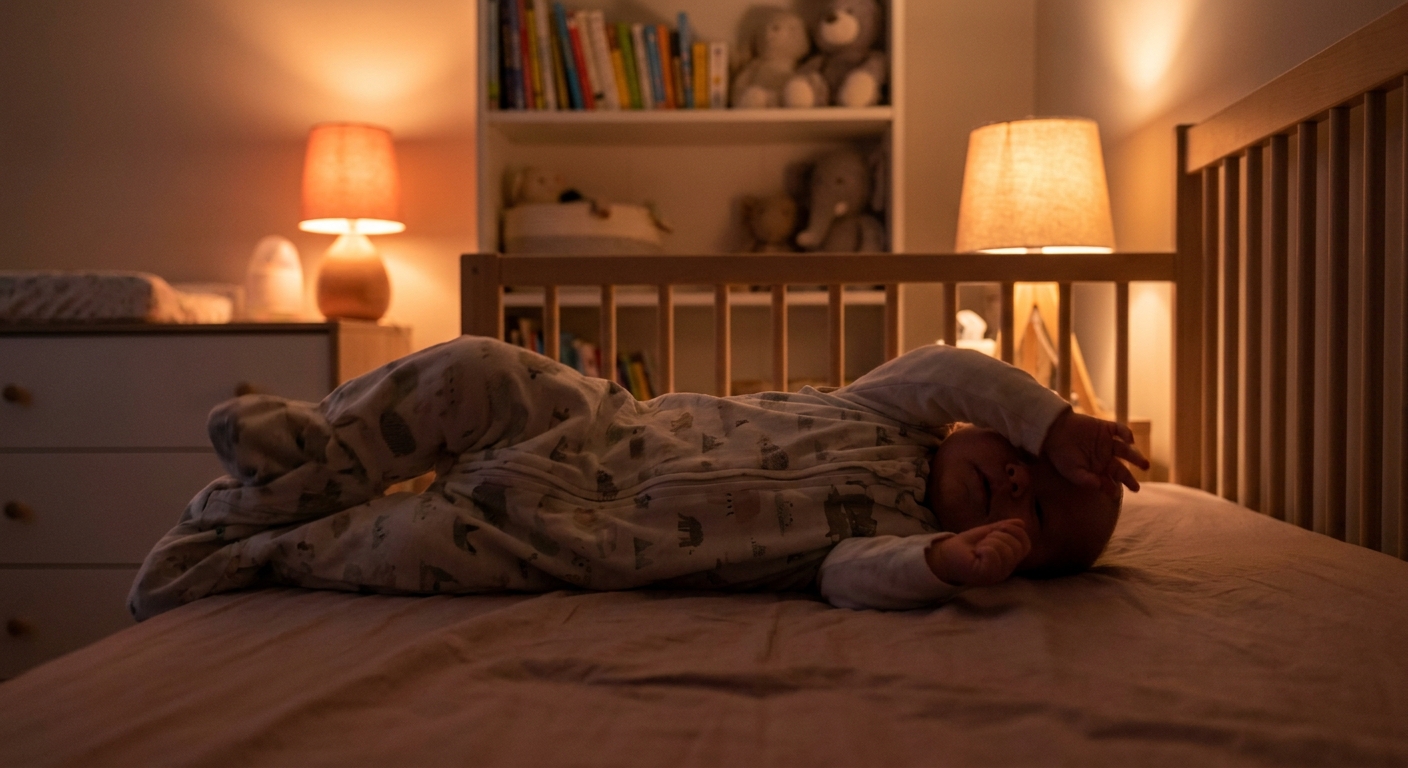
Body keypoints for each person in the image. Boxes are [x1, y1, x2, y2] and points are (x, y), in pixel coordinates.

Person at [129, 335, 1148, 620]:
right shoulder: (886, 409)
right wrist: (1052, 421)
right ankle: (315, 451)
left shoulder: (871, 543)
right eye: (1026, 468)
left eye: (1040, 524)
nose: (1018, 492)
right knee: (474, 368)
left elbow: (854, 583)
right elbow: (948, 369)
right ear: (990, 430)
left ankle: (247, 544)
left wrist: (943, 564)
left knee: (393, 551)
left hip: (558, 542)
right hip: (589, 429)